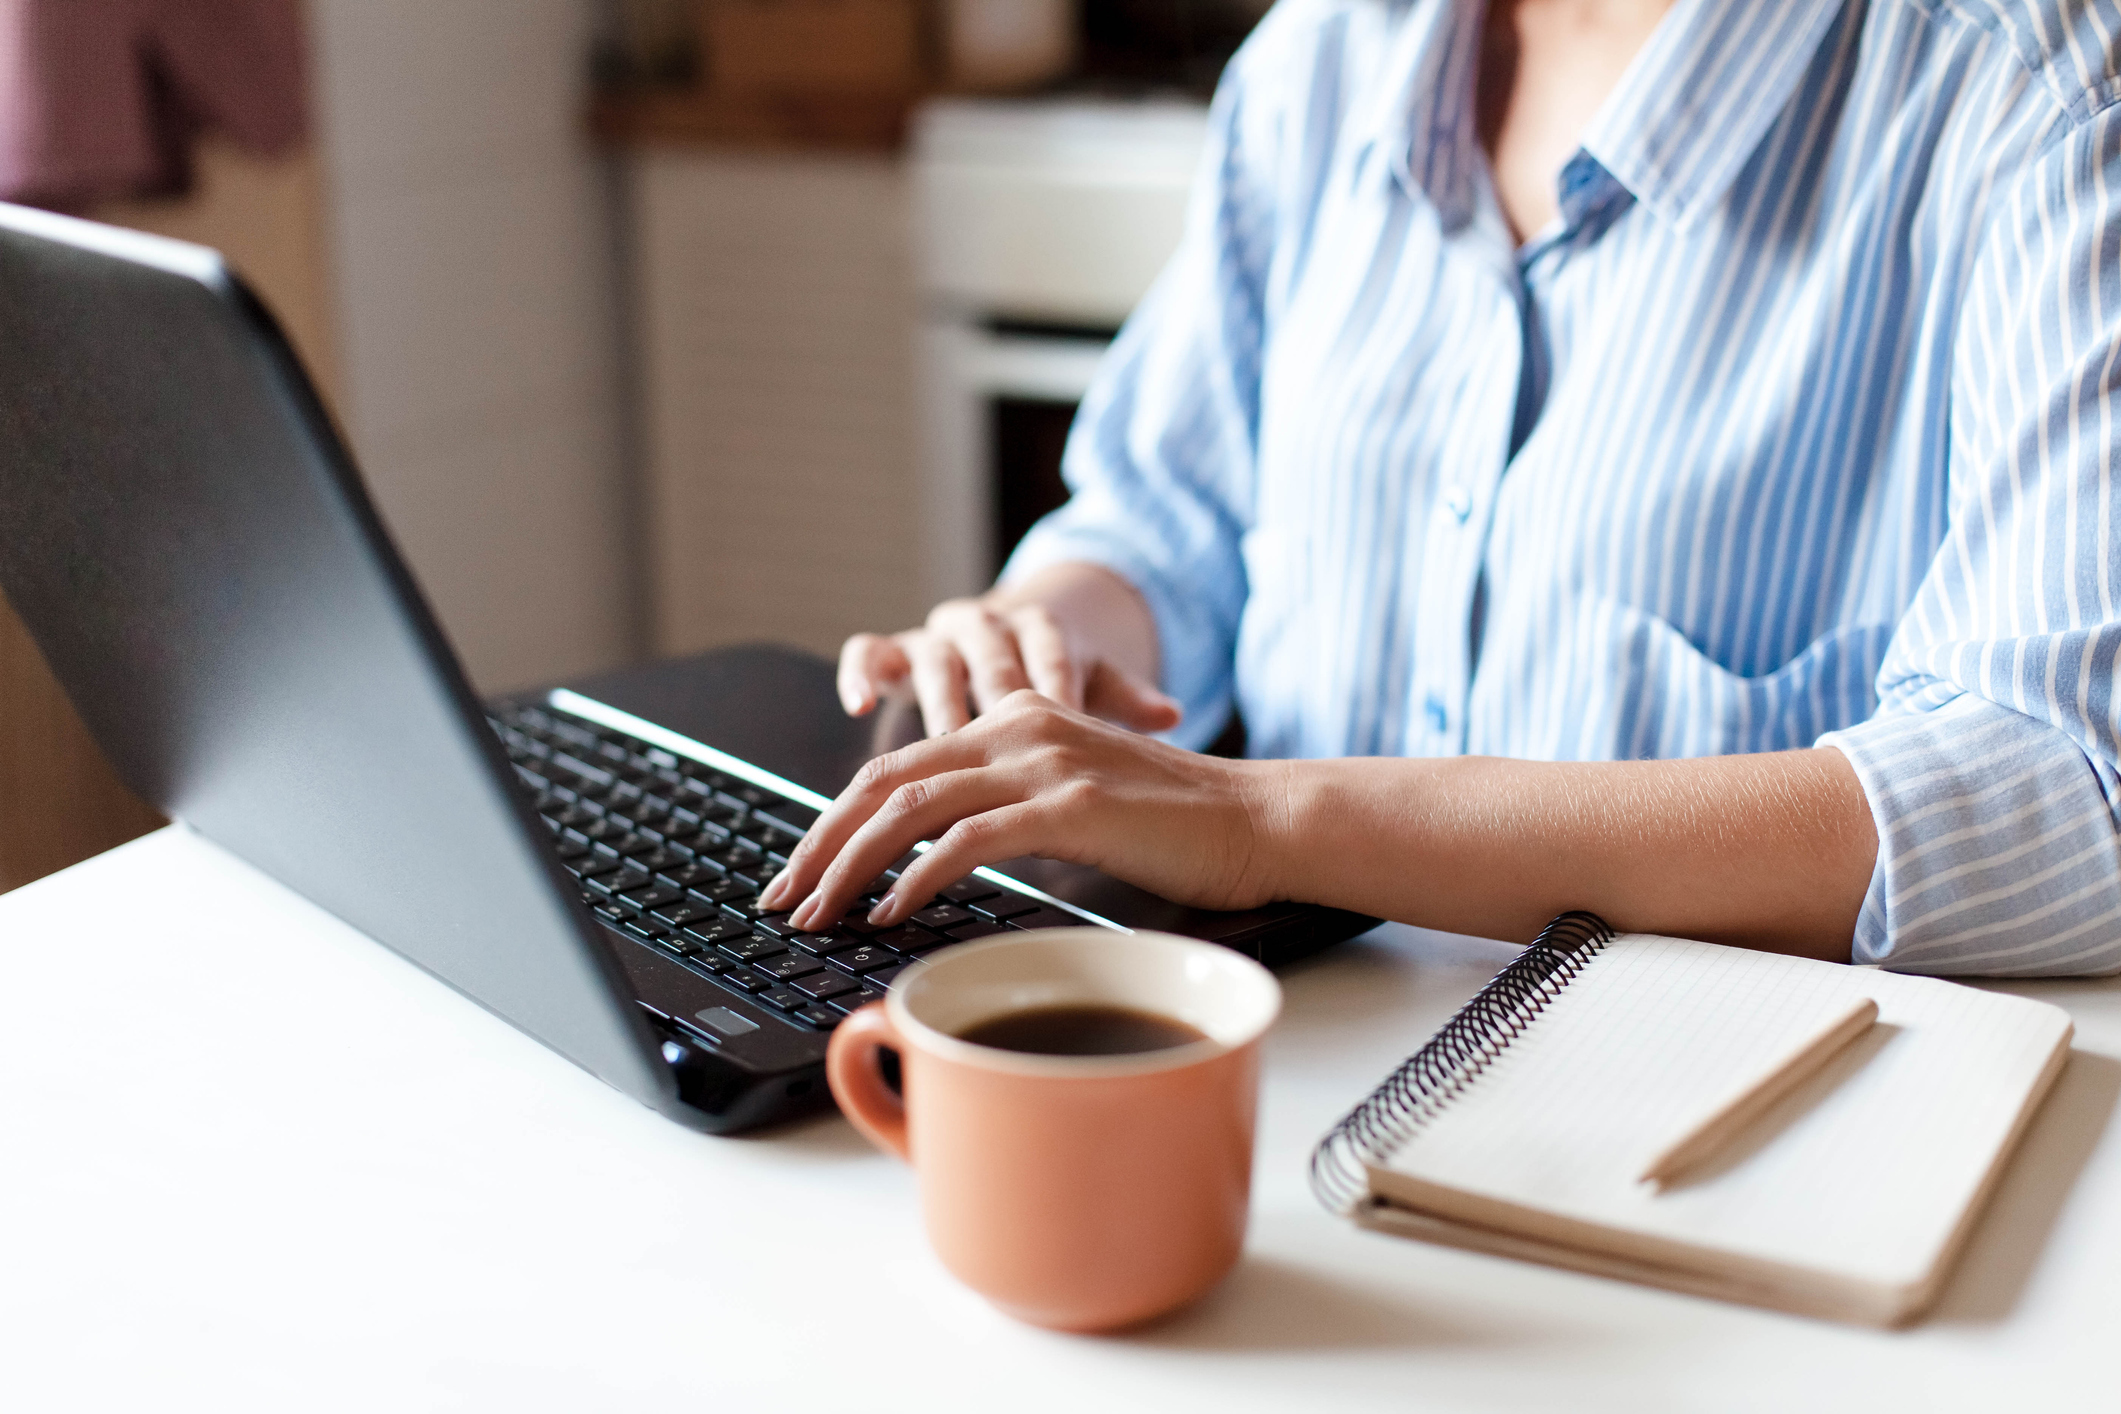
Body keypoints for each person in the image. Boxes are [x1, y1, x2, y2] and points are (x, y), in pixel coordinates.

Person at [760, 0, 2121, 976]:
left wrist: (1264, 823)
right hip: (1272, 1054)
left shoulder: (2036, 87)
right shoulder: (1316, 55)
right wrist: (1050, 635)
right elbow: (1161, 524)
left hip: (1705, 1139)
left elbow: (2069, 788)